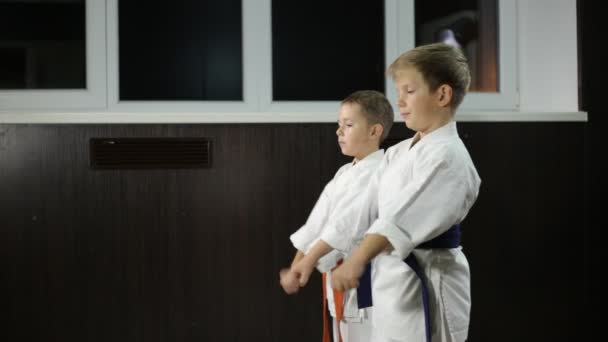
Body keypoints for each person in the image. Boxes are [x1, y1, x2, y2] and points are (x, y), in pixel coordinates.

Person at [329, 43, 482, 342]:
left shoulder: (448, 157)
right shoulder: (398, 152)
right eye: (398, 92)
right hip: (392, 281)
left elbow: (398, 221)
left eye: (409, 91)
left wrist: (357, 260)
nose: (400, 101)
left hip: (429, 279)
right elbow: (364, 205)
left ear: (442, 95)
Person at [280, 90, 394, 342]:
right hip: (336, 274)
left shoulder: (381, 170)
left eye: (348, 125)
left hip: (365, 278)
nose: (339, 132)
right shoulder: (345, 171)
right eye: (338, 125)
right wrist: (298, 263)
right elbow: (316, 224)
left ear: (375, 131)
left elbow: (344, 226)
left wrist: (308, 262)